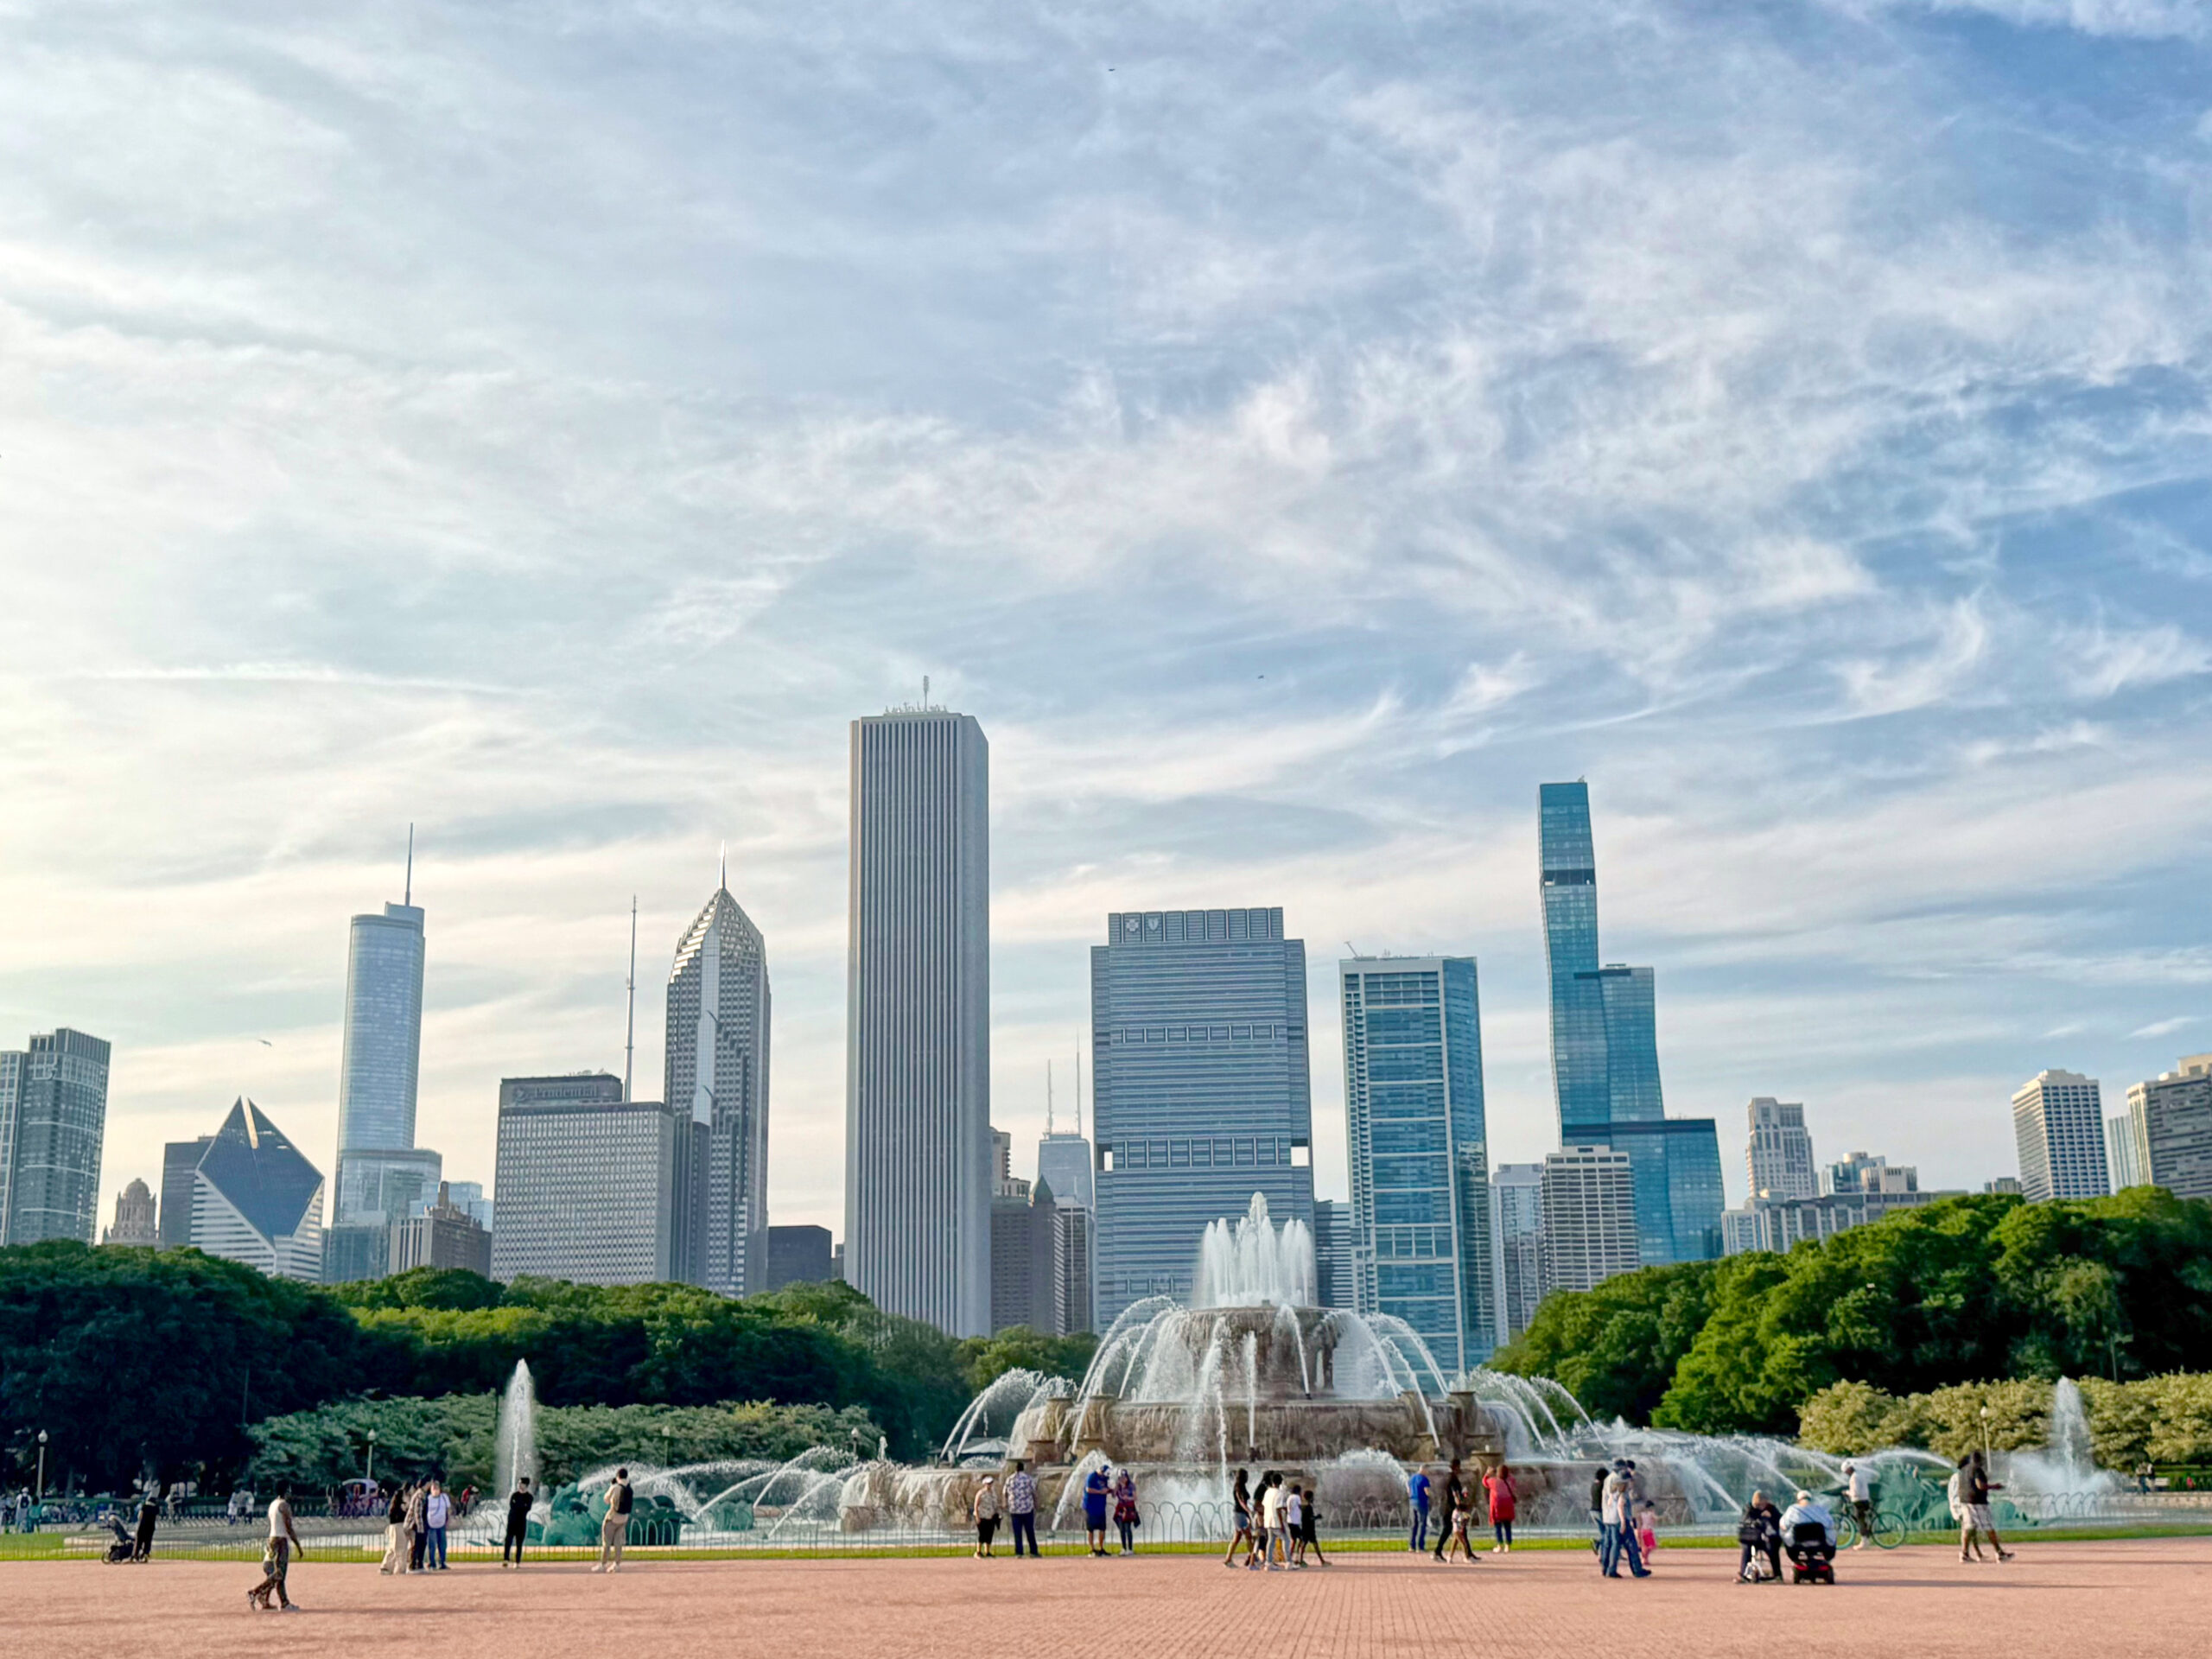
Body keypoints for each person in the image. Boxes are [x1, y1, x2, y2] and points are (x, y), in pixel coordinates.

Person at [246, 1485, 301, 1612]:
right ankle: (256, 1592)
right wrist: (298, 1545)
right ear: (286, 1492)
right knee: (280, 1573)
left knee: (273, 1574)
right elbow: (289, 1527)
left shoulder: (273, 1504)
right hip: (280, 1540)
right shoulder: (285, 1506)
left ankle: (272, 1601)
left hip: (271, 1539)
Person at [1958, 1452, 2013, 1562]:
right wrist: (1995, 1486)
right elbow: (1980, 1486)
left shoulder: (1963, 1471)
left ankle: (1964, 1553)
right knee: (1988, 1527)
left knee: (1968, 1528)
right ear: (1978, 1460)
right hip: (1977, 1503)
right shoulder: (1977, 1470)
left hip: (1965, 1502)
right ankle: (1999, 1553)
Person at [1599, 1462, 1649, 1579]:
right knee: (1631, 1544)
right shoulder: (1622, 1489)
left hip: (1610, 1519)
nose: (1632, 1483)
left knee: (1612, 1545)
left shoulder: (1611, 1484)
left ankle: (1608, 1569)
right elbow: (1620, 1506)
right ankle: (1637, 1570)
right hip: (1619, 1520)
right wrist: (1623, 1522)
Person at [1738, 1491, 1782, 1584]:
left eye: (1765, 1503)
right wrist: (1758, 1520)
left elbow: (1780, 1520)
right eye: (1761, 1503)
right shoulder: (1749, 1508)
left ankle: (1777, 1574)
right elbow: (1745, 1519)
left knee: (1773, 1549)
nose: (1763, 1505)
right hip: (1752, 1537)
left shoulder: (1771, 1508)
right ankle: (1744, 1573)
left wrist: (1771, 1517)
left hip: (1767, 1538)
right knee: (1747, 1550)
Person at [596, 1469, 635, 1573]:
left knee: (606, 1542)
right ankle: (617, 1564)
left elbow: (606, 1500)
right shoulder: (629, 1488)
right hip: (623, 1519)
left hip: (612, 1518)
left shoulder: (615, 1487)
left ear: (618, 1476)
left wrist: (611, 1486)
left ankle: (603, 1564)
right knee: (618, 1543)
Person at [1431, 1459, 1465, 1562]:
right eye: (1459, 1467)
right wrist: (1459, 1502)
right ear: (1456, 1467)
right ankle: (1438, 1551)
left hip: (1444, 1506)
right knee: (1449, 1529)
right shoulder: (1453, 1478)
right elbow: (1455, 1493)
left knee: (1451, 1530)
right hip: (1450, 1508)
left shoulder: (1446, 1477)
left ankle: (1439, 1551)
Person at [1005, 1460, 1039, 1559]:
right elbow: (1034, 1492)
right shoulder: (1028, 1479)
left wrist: (1006, 1503)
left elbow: (1004, 1493)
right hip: (1027, 1508)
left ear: (1015, 1469)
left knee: (1017, 1532)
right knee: (1030, 1531)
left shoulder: (1010, 1479)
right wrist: (1036, 1503)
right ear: (1023, 1468)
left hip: (1014, 1509)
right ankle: (1033, 1551)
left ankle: (1019, 1552)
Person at [1257, 1472, 1287, 1571]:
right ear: (1280, 1482)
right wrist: (1282, 1523)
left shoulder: (1268, 1492)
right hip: (1276, 1522)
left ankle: (1268, 1563)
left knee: (1270, 1542)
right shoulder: (1279, 1493)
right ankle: (1289, 1562)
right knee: (1286, 1540)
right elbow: (1278, 1509)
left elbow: (1265, 1505)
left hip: (1268, 1520)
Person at [1484, 1463, 1517, 1554]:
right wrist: (1507, 1473)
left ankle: (1499, 1545)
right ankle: (1508, 1546)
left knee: (1498, 1527)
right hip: (1508, 1507)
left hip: (1497, 1508)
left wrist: (1488, 1473)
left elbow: (1484, 1482)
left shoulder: (1493, 1481)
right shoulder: (1510, 1481)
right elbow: (1513, 1480)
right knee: (1508, 1527)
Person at [1224, 1469, 1255, 1567]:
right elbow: (1241, 1501)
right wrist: (1248, 1510)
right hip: (1239, 1514)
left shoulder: (1242, 1487)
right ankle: (1252, 1557)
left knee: (1237, 1538)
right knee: (1248, 1536)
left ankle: (1229, 1559)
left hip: (1241, 1514)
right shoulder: (1238, 1487)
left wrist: (1248, 1513)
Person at [1842, 1460, 1874, 1548]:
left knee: (1860, 1520)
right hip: (1864, 1499)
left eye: (1846, 1472)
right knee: (1861, 1519)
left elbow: (1855, 1492)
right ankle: (1866, 1536)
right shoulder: (1859, 1475)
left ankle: (1864, 1541)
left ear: (1849, 1469)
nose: (1846, 1474)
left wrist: (1846, 1493)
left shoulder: (1854, 1477)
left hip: (1859, 1501)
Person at [503, 1477, 532, 1568]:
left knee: (519, 1542)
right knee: (508, 1540)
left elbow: (527, 1508)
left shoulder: (529, 1497)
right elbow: (512, 1506)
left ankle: (517, 1561)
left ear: (526, 1485)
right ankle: (506, 1559)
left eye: (521, 1483)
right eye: (518, 1483)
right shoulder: (514, 1495)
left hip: (521, 1522)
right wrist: (520, 1507)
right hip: (512, 1521)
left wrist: (519, 1507)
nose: (519, 1485)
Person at [379, 1484, 410, 1574]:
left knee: (393, 1548)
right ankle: (400, 1568)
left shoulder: (395, 1506)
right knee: (400, 1549)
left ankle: (386, 1567)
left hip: (394, 1527)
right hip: (398, 1526)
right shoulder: (399, 1506)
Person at [1083, 1465, 1111, 1557]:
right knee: (1090, 1529)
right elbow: (1088, 1489)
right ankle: (1092, 1549)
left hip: (1101, 1507)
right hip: (1091, 1507)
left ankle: (1101, 1548)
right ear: (1101, 1471)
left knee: (1102, 1529)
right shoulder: (1092, 1477)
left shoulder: (1104, 1479)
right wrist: (1100, 1492)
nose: (1105, 1477)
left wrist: (1111, 1491)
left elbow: (1105, 1489)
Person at [971, 1473, 1001, 1558]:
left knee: (989, 1534)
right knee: (982, 1534)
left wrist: (997, 1514)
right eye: (988, 1483)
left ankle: (987, 1551)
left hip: (991, 1516)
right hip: (982, 1516)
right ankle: (978, 1552)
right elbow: (976, 1505)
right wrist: (977, 1516)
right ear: (984, 1484)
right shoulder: (980, 1493)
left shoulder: (993, 1493)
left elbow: (995, 1505)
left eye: (991, 1483)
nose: (989, 1485)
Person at [1300, 1484, 1329, 1567]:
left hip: (1305, 1528)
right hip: (1309, 1529)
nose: (1313, 1499)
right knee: (1314, 1545)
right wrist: (1317, 1517)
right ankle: (1322, 1561)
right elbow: (1310, 1518)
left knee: (1304, 1545)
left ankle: (1300, 1560)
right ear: (1310, 1498)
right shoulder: (1308, 1507)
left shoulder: (1304, 1507)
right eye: (1312, 1497)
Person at [1112, 1468, 1140, 1555]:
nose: (1123, 1479)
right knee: (1122, 1529)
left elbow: (1135, 1497)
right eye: (1121, 1477)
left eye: (1124, 1477)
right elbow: (1113, 1495)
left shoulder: (1131, 1485)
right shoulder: (1118, 1486)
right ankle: (1123, 1548)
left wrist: (1128, 1498)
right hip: (1120, 1508)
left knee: (1128, 1528)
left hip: (1128, 1509)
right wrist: (1116, 1487)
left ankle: (1130, 1549)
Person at [424, 1479, 450, 1571]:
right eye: (433, 1488)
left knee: (442, 1544)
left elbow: (448, 1510)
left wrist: (448, 1521)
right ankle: (432, 1563)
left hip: (442, 1524)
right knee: (432, 1544)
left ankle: (442, 1562)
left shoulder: (444, 1497)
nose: (435, 1489)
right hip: (431, 1525)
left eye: (437, 1488)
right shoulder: (428, 1499)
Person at [1407, 1464, 1433, 1553]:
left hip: (1412, 1502)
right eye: (1427, 1471)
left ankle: (1411, 1546)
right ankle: (1420, 1546)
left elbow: (1408, 1491)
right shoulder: (1424, 1479)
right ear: (1424, 1470)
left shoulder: (1411, 1478)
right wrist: (1433, 1497)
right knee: (1422, 1524)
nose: (1428, 1473)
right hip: (1421, 1502)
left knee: (1413, 1524)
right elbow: (1427, 1492)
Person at [405, 1479, 429, 1572]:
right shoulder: (419, 1495)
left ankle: (419, 1564)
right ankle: (413, 1565)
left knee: (421, 1544)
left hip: (421, 1524)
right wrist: (421, 1528)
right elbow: (417, 1513)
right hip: (416, 1525)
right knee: (417, 1545)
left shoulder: (423, 1495)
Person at [132, 1488, 159, 1563]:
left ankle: (136, 1555)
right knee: (148, 1541)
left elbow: (139, 1516)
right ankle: (145, 1554)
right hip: (151, 1527)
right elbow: (157, 1517)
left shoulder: (144, 1506)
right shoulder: (156, 1508)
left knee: (139, 1541)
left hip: (142, 1526)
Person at [1283, 1484, 1306, 1567]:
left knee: (1294, 1540)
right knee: (1302, 1539)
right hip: (1295, 1522)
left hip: (1290, 1521)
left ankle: (1289, 1558)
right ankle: (1297, 1557)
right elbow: (1300, 1507)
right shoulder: (1297, 1497)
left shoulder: (1290, 1497)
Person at [1636, 1501, 1659, 1567]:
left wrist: (1638, 1530)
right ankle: (1645, 1558)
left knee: (1644, 1546)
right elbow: (1656, 1519)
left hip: (1643, 1530)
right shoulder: (1651, 1514)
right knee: (1650, 1546)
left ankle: (1644, 1559)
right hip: (1649, 1530)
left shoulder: (1641, 1514)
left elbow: (1639, 1522)